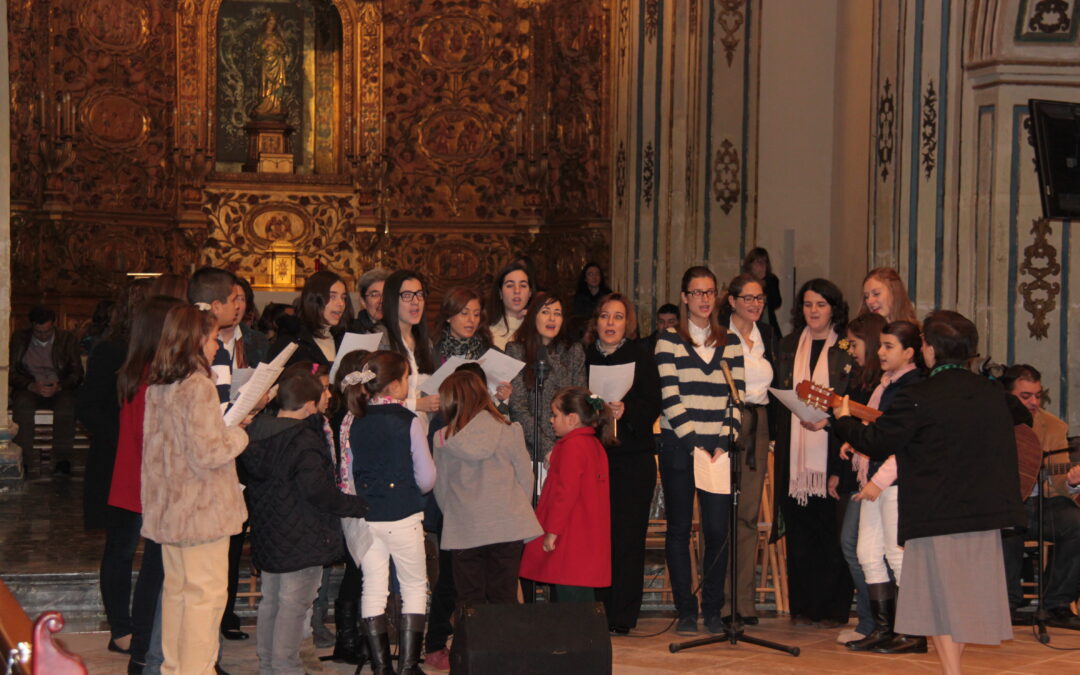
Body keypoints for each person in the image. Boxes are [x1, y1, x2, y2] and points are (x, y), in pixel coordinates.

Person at [833, 310, 1026, 675]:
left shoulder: (919, 395)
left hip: (936, 514)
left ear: (931, 349)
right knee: (967, 602)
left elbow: (875, 442)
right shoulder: (992, 392)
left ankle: (952, 672)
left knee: (941, 603)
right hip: (984, 514)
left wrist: (843, 419)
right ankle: (953, 669)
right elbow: (1021, 416)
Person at [140, 304, 249, 675]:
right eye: (214, 337)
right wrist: (239, 433)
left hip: (172, 509)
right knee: (206, 599)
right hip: (203, 512)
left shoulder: (160, 384)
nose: (217, 345)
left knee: (177, 594)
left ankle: (174, 669)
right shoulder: (198, 386)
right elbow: (209, 451)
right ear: (195, 339)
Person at [241, 368, 369, 674]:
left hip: (271, 532)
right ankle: (286, 667)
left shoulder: (258, 431)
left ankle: (270, 665)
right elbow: (318, 492)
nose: (328, 396)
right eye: (322, 393)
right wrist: (359, 505)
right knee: (294, 607)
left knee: (272, 601)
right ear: (309, 405)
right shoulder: (303, 439)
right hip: (303, 533)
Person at [654, 266, 744, 635]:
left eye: (710, 292)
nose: (705, 299)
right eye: (697, 293)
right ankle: (686, 609)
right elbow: (670, 398)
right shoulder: (668, 341)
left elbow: (735, 400)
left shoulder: (731, 343)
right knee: (678, 530)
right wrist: (695, 444)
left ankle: (711, 609)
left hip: (718, 451)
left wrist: (724, 440)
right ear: (685, 297)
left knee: (717, 531)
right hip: (680, 446)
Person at [341, 351, 436, 675]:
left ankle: (382, 668)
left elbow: (348, 473)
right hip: (404, 515)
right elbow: (426, 478)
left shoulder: (353, 418)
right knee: (412, 587)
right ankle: (408, 666)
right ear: (395, 384)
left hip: (366, 516)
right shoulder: (407, 420)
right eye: (407, 378)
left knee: (374, 588)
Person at [771, 278, 854, 628]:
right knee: (801, 532)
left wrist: (829, 422)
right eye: (807, 304)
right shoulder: (789, 345)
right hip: (795, 456)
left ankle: (834, 607)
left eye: (820, 304)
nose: (814, 311)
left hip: (833, 453)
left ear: (833, 308)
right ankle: (804, 605)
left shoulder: (847, 349)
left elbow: (854, 403)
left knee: (831, 533)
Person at [108, 295, 183, 675]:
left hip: (140, 478)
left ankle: (144, 653)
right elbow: (152, 437)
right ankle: (143, 656)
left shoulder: (138, 369)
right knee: (156, 574)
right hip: (150, 483)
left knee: (157, 571)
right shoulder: (153, 373)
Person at [76, 280, 149, 656]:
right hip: (118, 462)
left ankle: (147, 622)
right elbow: (88, 408)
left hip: (150, 465)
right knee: (120, 547)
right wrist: (128, 437)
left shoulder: (158, 352)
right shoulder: (112, 350)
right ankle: (121, 629)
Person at [843, 321, 926, 654]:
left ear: (909, 352)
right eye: (880, 345)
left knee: (897, 555)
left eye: (889, 346)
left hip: (895, 483)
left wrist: (880, 480)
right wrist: (856, 443)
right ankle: (884, 628)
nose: (880, 352)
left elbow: (907, 443)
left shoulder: (914, 387)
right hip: (874, 480)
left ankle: (914, 633)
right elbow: (878, 429)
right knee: (867, 553)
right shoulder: (884, 385)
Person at [583, 293, 661, 634]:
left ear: (626, 322)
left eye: (617, 317)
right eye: (605, 316)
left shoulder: (640, 356)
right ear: (596, 322)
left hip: (633, 461)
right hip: (595, 461)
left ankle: (624, 616)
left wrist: (625, 411)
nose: (610, 323)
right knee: (596, 538)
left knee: (629, 540)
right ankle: (598, 610)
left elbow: (653, 403)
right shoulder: (582, 358)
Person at [433, 370, 541, 614]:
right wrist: (513, 508)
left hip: (465, 527)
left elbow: (441, 489)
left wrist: (457, 514)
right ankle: (505, 650)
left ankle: (473, 650)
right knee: (504, 595)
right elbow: (526, 478)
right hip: (508, 525)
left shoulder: (442, 438)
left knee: (469, 601)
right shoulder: (510, 430)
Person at [718, 273, 778, 628]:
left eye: (760, 299)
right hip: (726, 422)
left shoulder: (767, 336)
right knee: (723, 513)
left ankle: (745, 601)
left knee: (749, 515)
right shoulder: (719, 335)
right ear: (732, 300)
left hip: (759, 422)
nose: (755, 305)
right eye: (748, 298)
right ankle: (724, 602)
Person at [1000, 364, 1080, 627]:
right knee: (1009, 523)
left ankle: (1056, 604)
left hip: (1042, 505)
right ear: (1008, 395)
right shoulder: (991, 423)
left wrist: (1071, 482)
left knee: (1076, 524)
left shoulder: (1054, 427)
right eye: (1026, 396)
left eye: (1038, 395)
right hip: (1002, 505)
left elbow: (1058, 482)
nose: (1034, 402)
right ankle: (1006, 604)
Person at [519, 386, 612, 602]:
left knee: (571, 596)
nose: (551, 420)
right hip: (585, 534)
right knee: (580, 594)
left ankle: (578, 636)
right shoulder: (593, 445)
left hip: (570, 535)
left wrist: (552, 531)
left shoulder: (572, 447)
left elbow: (565, 493)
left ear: (571, 419)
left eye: (555, 414)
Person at [828, 312, 886, 646]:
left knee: (863, 548)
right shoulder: (859, 381)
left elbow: (886, 427)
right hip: (859, 473)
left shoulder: (887, 383)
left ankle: (876, 621)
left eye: (856, 342)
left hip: (881, 476)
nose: (851, 349)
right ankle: (870, 621)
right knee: (854, 545)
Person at [506, 292, 586, 488]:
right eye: (546, 312)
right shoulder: (517, 351)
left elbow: (579, 402)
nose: (552, 318)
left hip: (569, 446)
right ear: (533, 316)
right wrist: (548, 448)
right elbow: (518, 407)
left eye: (557, 313)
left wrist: (565, 447)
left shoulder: (573, 351)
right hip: (530, 449)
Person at [10, 305, 84, 477]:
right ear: (32, 326)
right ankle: (25, 460)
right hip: (29, 385)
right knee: (22, 406)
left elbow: (77, 373)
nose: (43, 336)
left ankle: (62, 460)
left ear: (53, 325)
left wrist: (60, 386)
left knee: (67, 405)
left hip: (59, 386)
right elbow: (11, 372)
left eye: (47, 332)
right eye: (39, 332)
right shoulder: (20, 339)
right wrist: (31, 385)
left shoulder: (67, 339)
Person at [433, 287, 512, 407]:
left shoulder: (489, 352)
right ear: (449, 317)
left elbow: (497, 402)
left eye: (476, 314)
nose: (471, 320)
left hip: (480, 420)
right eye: (464, 313)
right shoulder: (431, 351)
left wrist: (502, 397)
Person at [376, 270, 440, 420]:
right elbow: (373, 398)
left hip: (423, 429)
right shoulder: (379, 340)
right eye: (407, 295)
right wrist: (416, 404)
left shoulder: (426, 342)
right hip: (392, 428)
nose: (415, 301)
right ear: (392, 300)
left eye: (419, 294)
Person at [269, 270, 348, 367]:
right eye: (332, 296)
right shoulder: (290, 342)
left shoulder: (344, 339)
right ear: (314, 300)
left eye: (343, 297)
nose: (341, 303)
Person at [489, 261, 532, 350]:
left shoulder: (539, 327)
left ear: (530, 293)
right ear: (500, 293)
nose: (517, 291)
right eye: (510, 285)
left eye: (523, 285)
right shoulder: (485, 331)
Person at [742, 247, 783, 337]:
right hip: (748, 323)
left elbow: (776, 303)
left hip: (768, 322)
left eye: (764, 261)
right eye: (758, 262)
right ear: (750, 265)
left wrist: (765, 286)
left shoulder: (771, 280)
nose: (761, 265)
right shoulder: (744, 281)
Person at [350, 268, 391, 334]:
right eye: (374, 295)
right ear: (363, 301)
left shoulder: (403, 327)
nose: (381, 301)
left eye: (386, 294)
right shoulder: (352, 332)